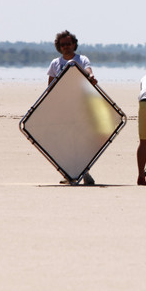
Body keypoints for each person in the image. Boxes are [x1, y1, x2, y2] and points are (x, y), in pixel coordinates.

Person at [46, 30, 97, 185]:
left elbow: (88, 71)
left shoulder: (81, 59)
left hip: (81, 105)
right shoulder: (55, 63)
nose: (66, 47)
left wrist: (91, 77)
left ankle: (84, 172)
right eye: (63, 45)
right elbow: (50, 86)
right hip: (63, 108)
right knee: (65, 142)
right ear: (59, 47)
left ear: (74, 44)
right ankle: (70, 173)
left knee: (81, 141)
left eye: (69, 44)